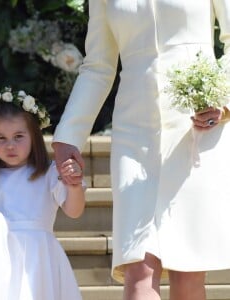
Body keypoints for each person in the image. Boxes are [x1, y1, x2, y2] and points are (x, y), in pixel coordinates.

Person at [52, 1, 230, 299]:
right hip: (133, 135)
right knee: (138, 269)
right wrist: (68, 135)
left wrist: (221, 98)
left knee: (187, 271)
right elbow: (98, 65)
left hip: (197, 128)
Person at [0, 88, 85, 300]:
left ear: (34, 137)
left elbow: (74, 212)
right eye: (1, 138)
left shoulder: (48, 174)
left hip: (40, 259)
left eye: (18, 136)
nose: (10, 145)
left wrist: (73, 186)